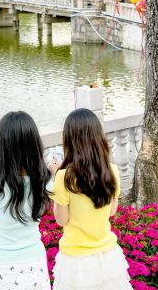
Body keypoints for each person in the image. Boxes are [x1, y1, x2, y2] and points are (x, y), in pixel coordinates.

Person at [0, 111, 58, 290]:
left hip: (0, 265)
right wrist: (54, 172)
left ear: (1, 147)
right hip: (34, 262)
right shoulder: (44, 180)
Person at [52, 108, 131, 290]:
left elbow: (61, 220)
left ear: (69, 140)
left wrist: (56, 175)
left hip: (75, 260)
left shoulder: (64, 177)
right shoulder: (112, 171)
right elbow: (111, 211)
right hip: (107, 256)